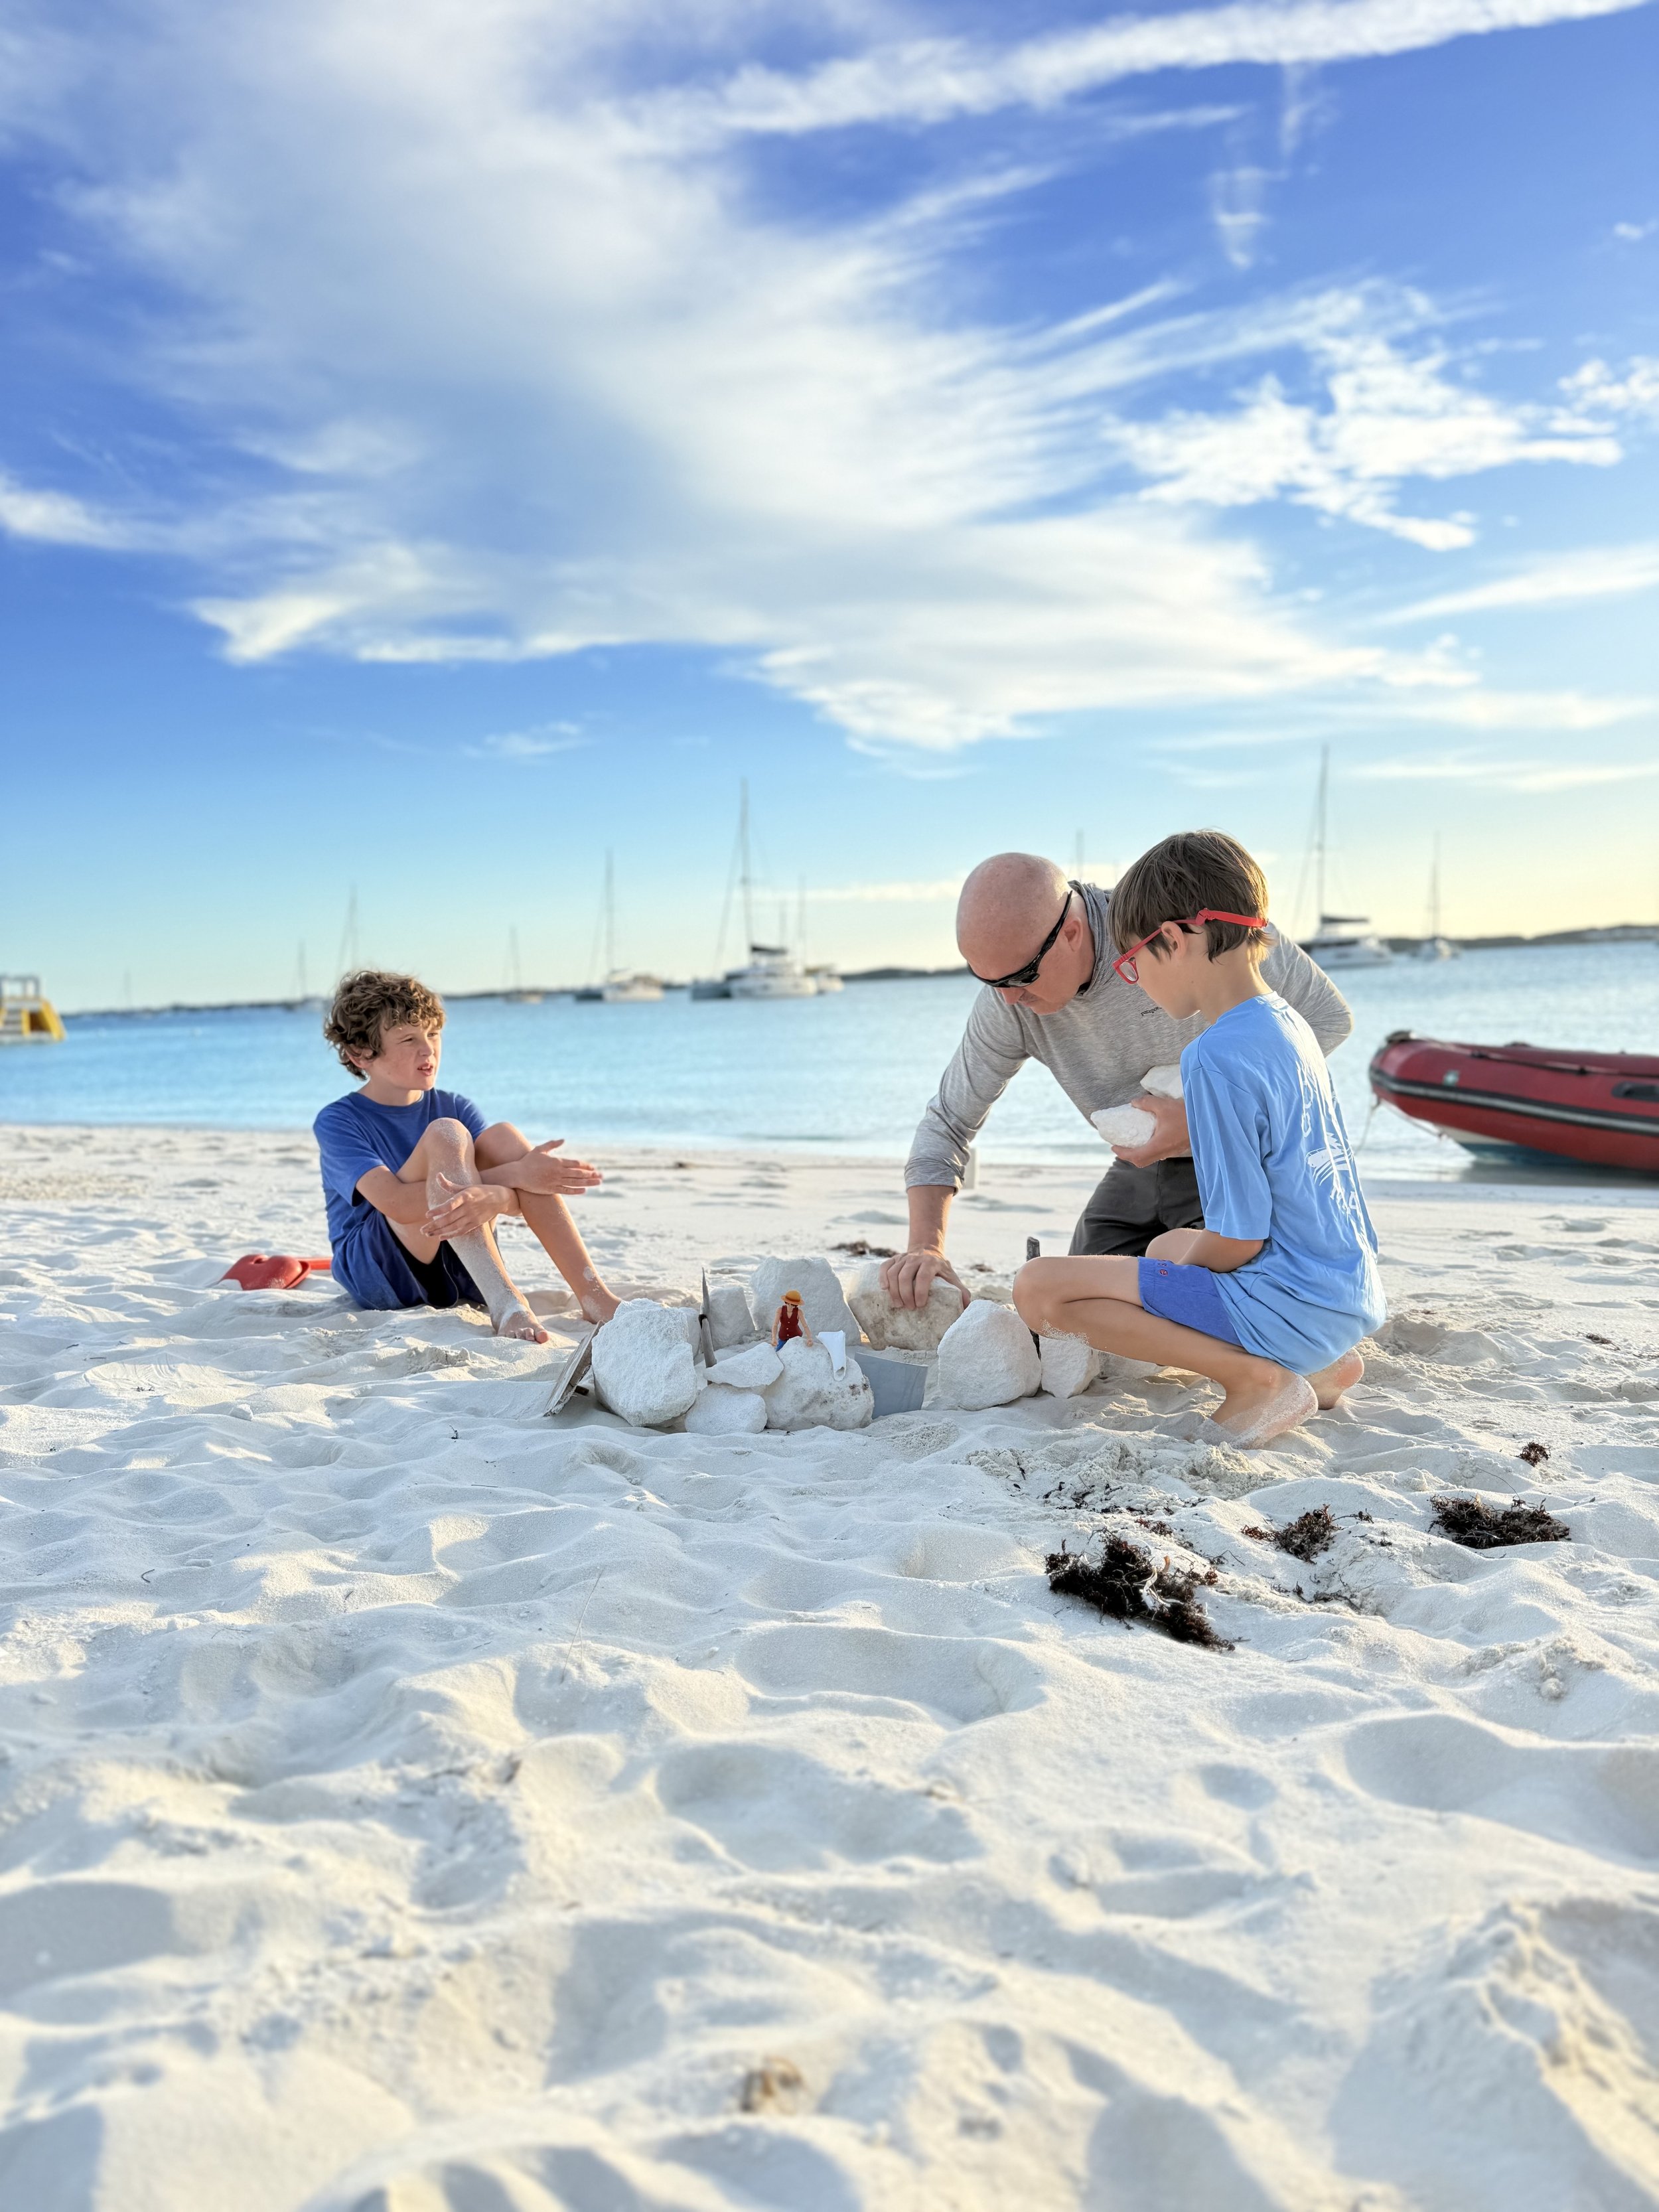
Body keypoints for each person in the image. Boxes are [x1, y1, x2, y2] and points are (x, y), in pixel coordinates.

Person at [1013, 831, 1384, 1446]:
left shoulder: (1213, 1056)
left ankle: (1255, 1381)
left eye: (1133, 963)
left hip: (1289, 1306)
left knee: (1038, 1289)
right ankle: (1321, 1368)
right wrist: (1165, 1267)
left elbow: (1239, 1239)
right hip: (1345, 1295)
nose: (1134, 981)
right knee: (1164, 1245)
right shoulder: (1289, 1023)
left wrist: (1169, 1278)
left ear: (1174, 938)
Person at [881, 851, 1352, 1313]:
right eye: (988, 980)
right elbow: (948, 1122)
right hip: (1137, 1168)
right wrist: (926, 1247)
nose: (1008, 999)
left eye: (1022, 976)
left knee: (1226, 1297)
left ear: (1071, 933)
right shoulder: (1009, 1001)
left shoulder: (1166, 922)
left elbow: (1327, 1020)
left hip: (1235, 1155)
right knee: (1072, 1306)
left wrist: (1203, 1119)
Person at [313, 970, 619, 1343]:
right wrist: (512, 1180)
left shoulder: (455, 1104)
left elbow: (509, 1195)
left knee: (504, 1137)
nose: (428, 1050)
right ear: (360, 1054)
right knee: (448, 1134)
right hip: (382, 1272)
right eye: (408, 1039)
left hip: (463, 1269)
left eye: (433, 1034)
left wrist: (500, 1191)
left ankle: (595, 1297)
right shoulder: (339, 1120)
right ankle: (507, 1304)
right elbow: (398, 1205)